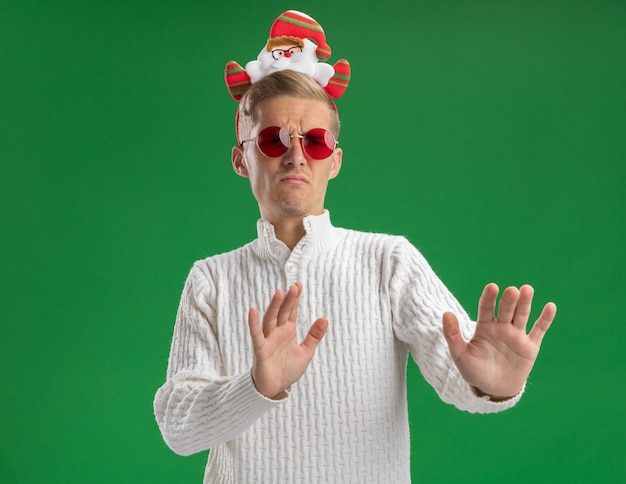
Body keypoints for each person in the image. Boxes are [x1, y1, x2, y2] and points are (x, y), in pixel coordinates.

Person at [154, 11, 556, 484]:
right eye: (272, 138)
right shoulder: (212, 280)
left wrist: (495, 382)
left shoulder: (389, 261)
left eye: (317, 141)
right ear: (242, 158)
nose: (297, 154)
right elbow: (178, 428)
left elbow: (459, 375)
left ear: (336, 161)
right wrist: (257, 387)